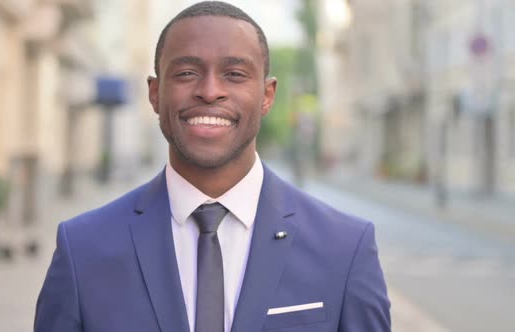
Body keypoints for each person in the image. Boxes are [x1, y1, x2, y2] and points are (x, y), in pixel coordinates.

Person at [34, 1, 391, 331]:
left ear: (267, 96)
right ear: (155, 94)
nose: (209, 90)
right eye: (187, 73)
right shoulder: (83, 248)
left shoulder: (345, 248)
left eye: (234, 74)